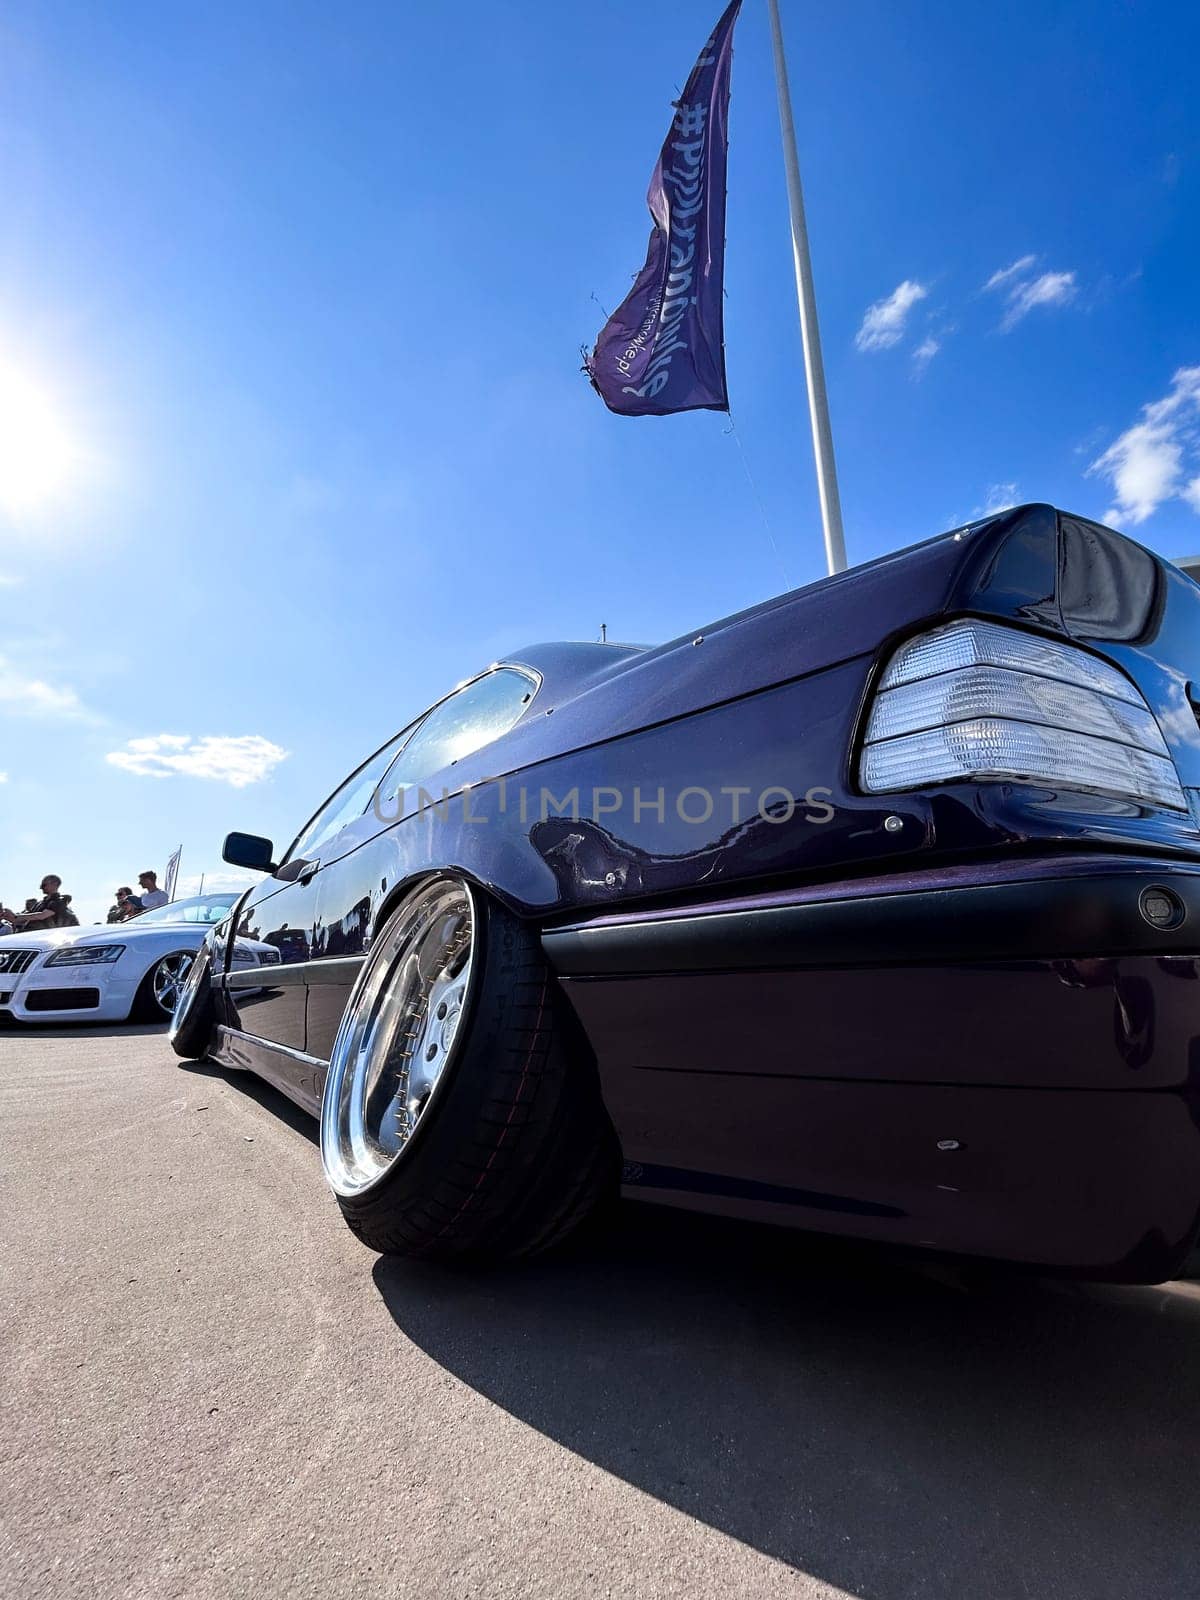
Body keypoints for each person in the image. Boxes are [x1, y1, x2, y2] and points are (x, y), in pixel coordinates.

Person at [0, 875, 79, 929]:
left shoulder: (59, 902)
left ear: (54, 884)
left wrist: (16, 916)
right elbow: (25, 920)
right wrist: (8, 917)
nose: (41, 887)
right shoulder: (40, 904)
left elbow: (42, 915)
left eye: (44, 885)